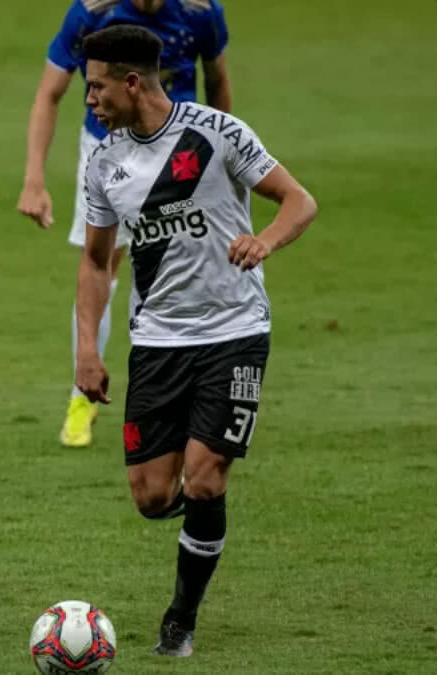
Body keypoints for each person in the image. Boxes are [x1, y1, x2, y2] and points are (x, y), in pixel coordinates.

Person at [73, 26, 317, 657]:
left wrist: (264, 240)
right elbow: (97, 263)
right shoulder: (104, 163)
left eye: (97, 87)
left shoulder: (217, 133)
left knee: (206, 479)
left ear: (132, 82)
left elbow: (298, 200)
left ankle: (180, 619)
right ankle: (205, 524)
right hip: (157, 342)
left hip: (235, 331)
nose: (90, 100)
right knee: (153, 497)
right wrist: (87, 349)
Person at [17, 0, 233, 448]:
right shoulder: (91, 12)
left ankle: (199, 386)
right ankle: (83, 394)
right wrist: (34, 179)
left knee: (187, 262)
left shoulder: (200, 11)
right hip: (107, 151)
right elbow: (49, 93)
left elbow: (218, 81)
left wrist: (223, 156)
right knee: (102, 267)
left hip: (182, 156)